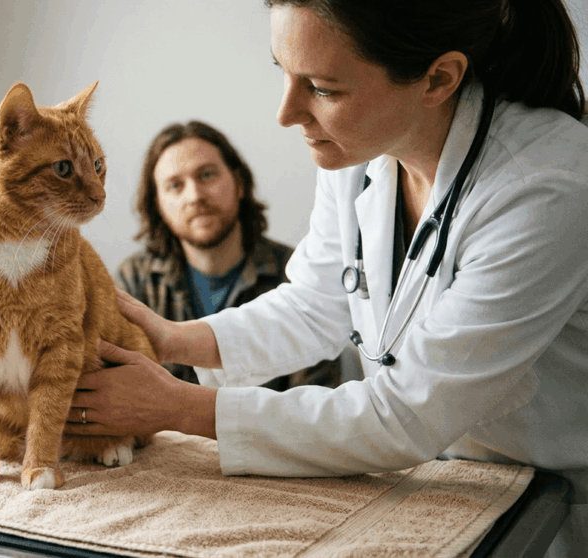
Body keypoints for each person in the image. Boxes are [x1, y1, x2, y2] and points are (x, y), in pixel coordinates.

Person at [68, 1, 588, 555]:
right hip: (438, 489)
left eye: (322, 88)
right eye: (282, 73)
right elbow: (314, 303)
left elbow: (405, 413)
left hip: (548, 507)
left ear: (437, 79)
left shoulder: (545, 186)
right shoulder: (360, 153)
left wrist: (178, 407)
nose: (286, 113)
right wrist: (170, 336)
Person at [115, 120, 340, 390]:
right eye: (175, 185)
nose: (195, 196)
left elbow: (313, 404)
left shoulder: (298, 273)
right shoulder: (134, 282)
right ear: (158, 205)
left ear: (239, 183)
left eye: (207, 175)